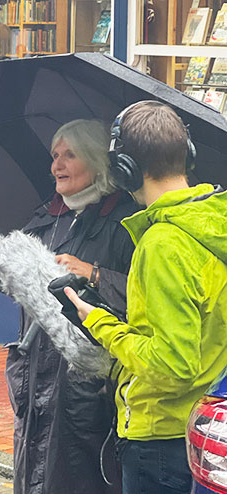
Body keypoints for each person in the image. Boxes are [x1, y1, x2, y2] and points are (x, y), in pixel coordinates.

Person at [0, 119, 137, 494]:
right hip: (35, 381)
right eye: (54, 155)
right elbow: (27, 289)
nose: (56, 165)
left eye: (69, 155)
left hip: (85, 391)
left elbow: (140, 295)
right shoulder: (46, 217)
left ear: (97, 161)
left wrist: (94, 273)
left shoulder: (124, 223)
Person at [65, 101, 227, 494]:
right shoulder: (214, 220)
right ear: (187, 155)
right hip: (201, 429)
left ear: (124, 170)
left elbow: (173, 365)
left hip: (161, 438)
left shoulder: (163, 245)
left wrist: (99, 322)